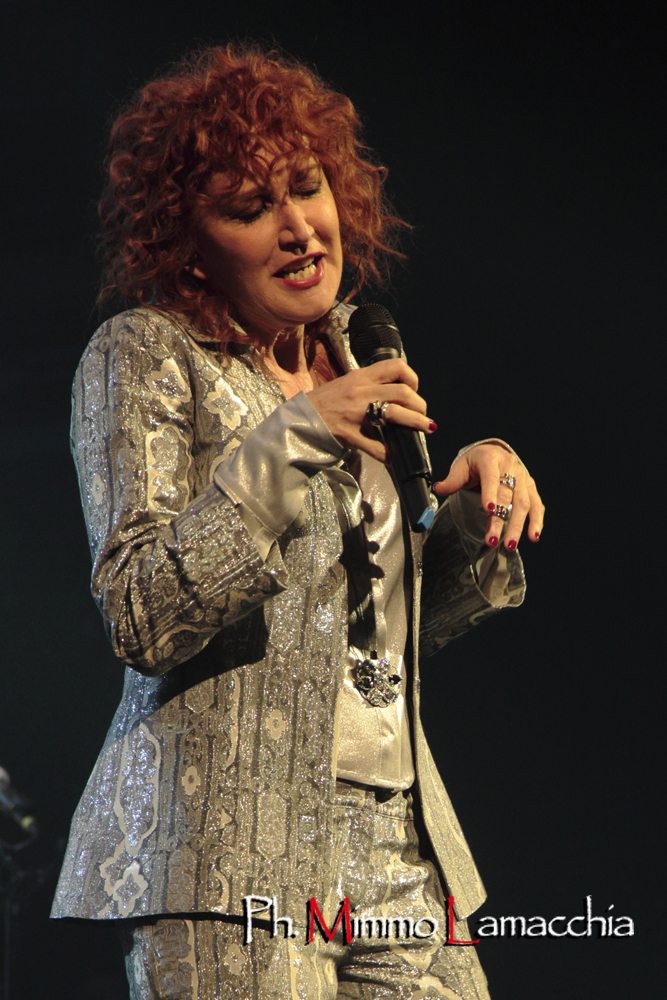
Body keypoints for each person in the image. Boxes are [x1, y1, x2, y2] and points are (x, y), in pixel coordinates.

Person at [52, 43, 544, 999]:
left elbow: (366, 641)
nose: (298, 230)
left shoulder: (355, 354)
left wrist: (469, 518)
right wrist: (290, 438)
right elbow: (141, 613)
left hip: (400, 843)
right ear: (187, 241)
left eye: (307, 189)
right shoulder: (147, 353)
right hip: (227, 846)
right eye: (249, 209)